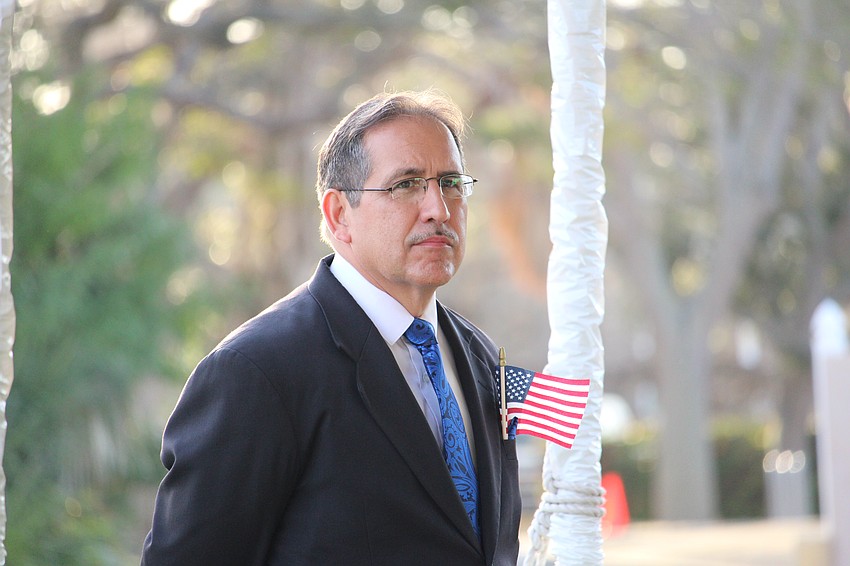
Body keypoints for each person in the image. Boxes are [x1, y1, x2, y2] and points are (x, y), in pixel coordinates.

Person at [141, 90, 522, 565]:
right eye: (405, 185)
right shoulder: (255, 371)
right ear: (339, 215)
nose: (438, 210)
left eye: (449, 182)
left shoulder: (479, 356)